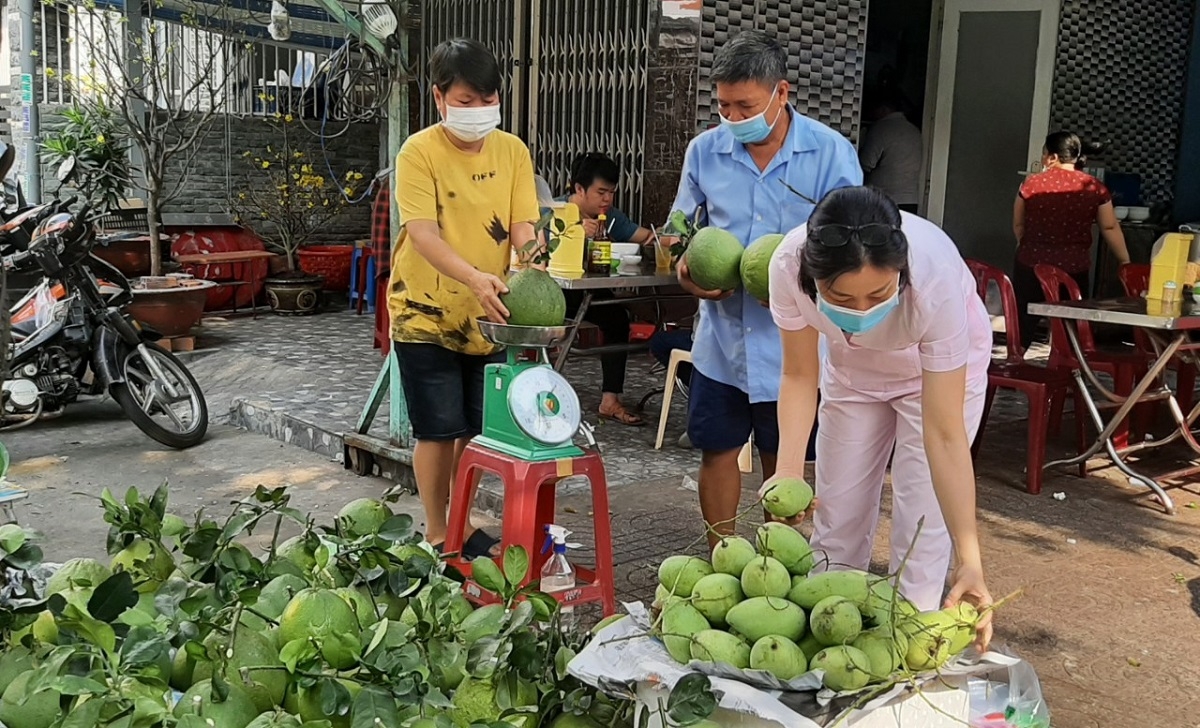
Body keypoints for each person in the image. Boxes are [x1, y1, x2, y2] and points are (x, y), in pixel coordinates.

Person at [765, 186, 994, 646]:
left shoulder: (934, 279)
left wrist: (971, 560)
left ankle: (905, 647)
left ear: (902, 272)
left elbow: (946, 435)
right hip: (852, 375)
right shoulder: (787, 266)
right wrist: (787, 473)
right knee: (835, 522)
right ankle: (830, 647)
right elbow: (797, 375)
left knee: (922, 529)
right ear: (813, 279)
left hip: (937, 377)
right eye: (842, 300)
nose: (862, 310)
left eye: (878, 293)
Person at [669, 30, 861, 548]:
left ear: (782, 92)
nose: (734, 119)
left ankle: (779, 567)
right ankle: (722, 558)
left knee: (787, 459)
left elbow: (853, 249)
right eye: (725, 107)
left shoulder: (829, 154)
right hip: (722, 343)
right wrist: (685, 268)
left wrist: (801, 285)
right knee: (717, 449)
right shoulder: (704, 152)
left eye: (745, 106)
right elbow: (677, 232)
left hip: (794, 348)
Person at [388, 38, 539, 559]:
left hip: (489, 311)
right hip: (424, 308)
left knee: (473, 430)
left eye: (487, 99)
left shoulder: (513, 150)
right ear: (439, 97)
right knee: (436, 427)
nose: (479, 111)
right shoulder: (419, 152)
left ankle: (462, 517)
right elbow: (424, 234)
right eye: (466, 101)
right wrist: (474, 277)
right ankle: (436, 530)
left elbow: (522, 224)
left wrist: (536, 260)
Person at [553, 153, 654, 425]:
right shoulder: (555, 213)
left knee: (617, 320)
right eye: (601, 192)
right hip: (555, 292)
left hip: (592, 290)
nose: (607, 199)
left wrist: (668, 239)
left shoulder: (610, 218)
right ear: (578, 189)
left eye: (611, 192)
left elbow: (645, 236)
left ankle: (610, 400)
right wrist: (572, 231)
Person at [1012, 131, 1130, 349]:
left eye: (1044, 154)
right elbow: (1109, 226)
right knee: (1070, 326)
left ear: (1053, 157)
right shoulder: (1094, 187)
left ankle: (1014, 365)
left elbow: (1019, 224)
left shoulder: (1031, 185)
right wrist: (1125, 261)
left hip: (1031, 265)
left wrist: (1025, 244)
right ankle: (1065, 372)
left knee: (1022, 322)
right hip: (1073, 269)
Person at [858, 88, 923, 214]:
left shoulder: (881, 129)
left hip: (884, 199)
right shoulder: (914, 130)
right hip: (910, 199)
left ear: (883, 109)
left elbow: (865, 163)